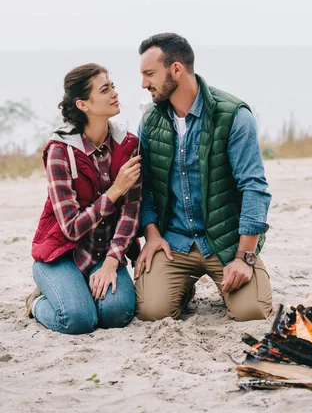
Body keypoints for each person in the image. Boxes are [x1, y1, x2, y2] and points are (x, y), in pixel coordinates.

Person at [134, 33, 272, 322]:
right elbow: (144, 187)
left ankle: (241, 275)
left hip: (225, 243)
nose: (144, 84)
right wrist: (152, 234)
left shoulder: (233, 115)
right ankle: (182, 288)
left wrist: (244, 258)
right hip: (174, 243)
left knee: (252, 312)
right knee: (151, 311)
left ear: (176, 70)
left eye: (149, 74)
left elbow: (254, 188)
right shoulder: (150, 120)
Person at [26, 63, 142, 334]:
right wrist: (115, 190)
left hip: (104, 253)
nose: (114, 93)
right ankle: (37, 302)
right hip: (60, 255)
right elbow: (71, 227)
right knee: (78, 320)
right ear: (83, 104)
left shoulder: (128, 145)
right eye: (105, 90)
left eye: (112, 86)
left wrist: (113, 262)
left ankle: (76, 291)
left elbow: (131, 212)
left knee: (116, 314)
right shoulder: (59, 152)